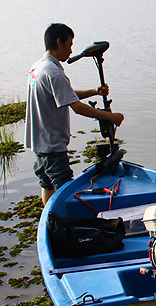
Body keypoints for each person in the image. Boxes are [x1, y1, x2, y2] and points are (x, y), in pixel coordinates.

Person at [25, 23, 124, 205]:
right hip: (53, 146)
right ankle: (63, 227)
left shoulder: (38, 67)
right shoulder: (54, 73)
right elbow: (77, 107)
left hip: (39, 143)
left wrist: (94, 91)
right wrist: (112, 117)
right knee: (65, 192)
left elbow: (64, 95)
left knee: (47, 185)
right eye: (69, 44)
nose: (71, 50)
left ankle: (49, 222)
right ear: (59, 42)